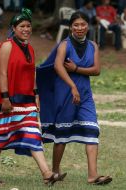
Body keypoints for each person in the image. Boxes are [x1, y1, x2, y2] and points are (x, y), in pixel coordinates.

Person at [0, 8, 63, 186]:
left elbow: (32, 74)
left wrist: (36, 94)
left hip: (26, 100)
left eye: (28, 26)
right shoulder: (7, 45)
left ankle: (47, 173)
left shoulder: (30, 48)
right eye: (22, 26)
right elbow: (2, 74)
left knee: (33, 134)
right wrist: (5, 98)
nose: (26, 29)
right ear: (14, 28)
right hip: (8, 98)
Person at [36, 11, 112, 185]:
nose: (79, 28)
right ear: (70, 27)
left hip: (85, 95)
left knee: (92, 130)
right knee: (62, 134)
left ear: (88, 26)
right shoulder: (64, 44)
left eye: (83, 24)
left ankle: (93, 176)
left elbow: (96, 70)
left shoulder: (93, 45)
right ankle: (55, 171)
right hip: (66, 93)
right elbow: (57, 66)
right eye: (76, 25)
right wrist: (72, 86)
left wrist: (77, 69)